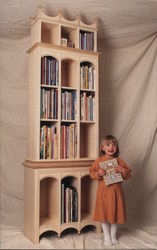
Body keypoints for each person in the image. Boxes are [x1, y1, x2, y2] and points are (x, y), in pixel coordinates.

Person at [89, 135, 131, 246]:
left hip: (116, 193)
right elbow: (92, 173)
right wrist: (99, 173)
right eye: (108, 145)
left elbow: (129, 175)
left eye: (114, 144)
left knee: (115, 214)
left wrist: (122, 170)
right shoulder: (99, 161)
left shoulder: (119, 161)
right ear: (103, 148)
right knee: (103, 215)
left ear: (117, 147)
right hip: (103, 193)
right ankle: (107, 236)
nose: (111, 147)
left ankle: (113, 235)